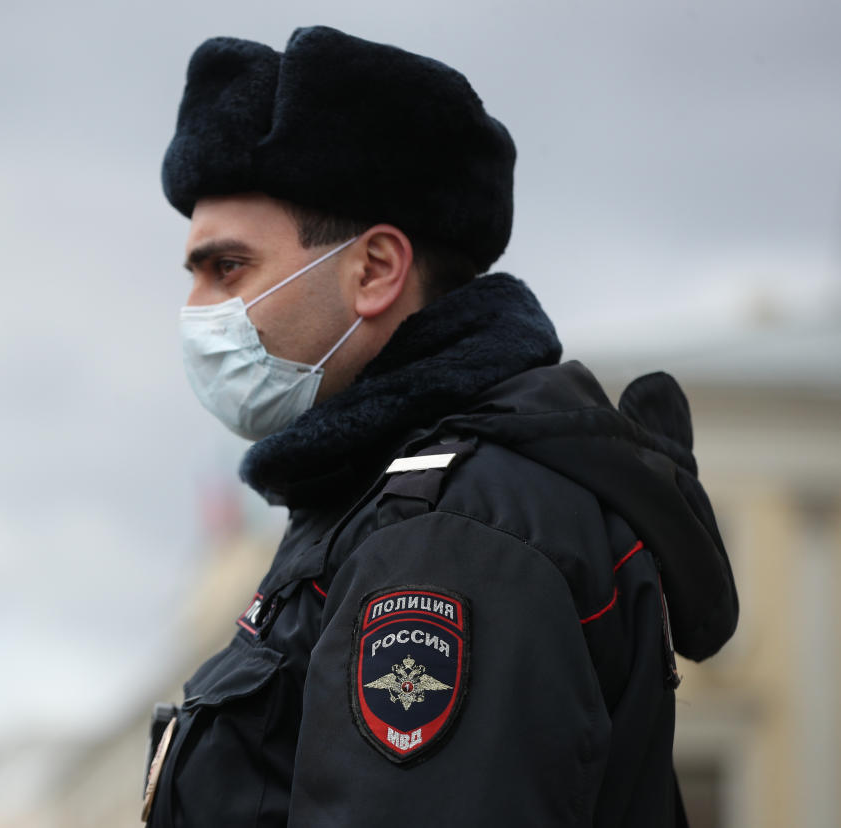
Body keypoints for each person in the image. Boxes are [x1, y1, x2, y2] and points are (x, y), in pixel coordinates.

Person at [144, 25, 738, 827]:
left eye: (228, 269)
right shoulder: (378, 503)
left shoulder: (453, 534)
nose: (199, 312)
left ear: (377, 270)